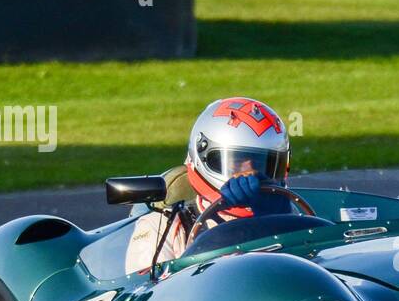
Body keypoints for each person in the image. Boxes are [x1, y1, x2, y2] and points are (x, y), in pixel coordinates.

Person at [125, 97, 293, 273]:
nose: (250, 173)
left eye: (261, 164)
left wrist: (280, 222)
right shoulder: (163, 226)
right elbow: (152, 296)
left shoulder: (288, 212)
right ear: (204, 156)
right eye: (236, 162)